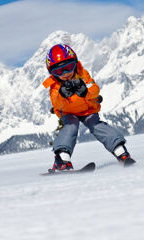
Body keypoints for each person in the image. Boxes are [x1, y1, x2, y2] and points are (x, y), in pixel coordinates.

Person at [42, 44, 135, 172]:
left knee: (96, 125)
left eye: (68, 68)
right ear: (52, 73)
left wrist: (86, 92)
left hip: (88, 110)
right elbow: (56, 103)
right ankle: (62, 160)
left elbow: (95, 89)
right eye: (58, 71)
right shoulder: (55, 85)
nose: (65, 74)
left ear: (75, 64)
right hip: (69, 112)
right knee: (70, 127)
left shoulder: (82, 75)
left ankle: (121, 152)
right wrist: (62, 95)